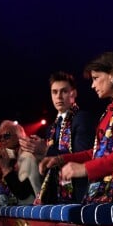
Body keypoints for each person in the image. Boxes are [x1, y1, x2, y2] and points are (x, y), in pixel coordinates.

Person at [38, 52, 113, 204]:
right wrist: (61, 159)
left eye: (96, 78)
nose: (92, 85)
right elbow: (97, 152)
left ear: (112, 75)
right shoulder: (109, 112)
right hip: (102, 196)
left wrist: (84, 169)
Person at [19, 71, 96, 203]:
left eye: (64, 91)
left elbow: (83, 157)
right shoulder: (52, 127)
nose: (59, 96)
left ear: (74, 93)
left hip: (80, 196)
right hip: (58, 196)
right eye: (54, 92)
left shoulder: (82, 118)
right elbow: (51, 164)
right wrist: (38, 153)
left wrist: (45, 150)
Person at [0, 120, 43, 205]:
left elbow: (23, 194)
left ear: (18, 137)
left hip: (28, 213)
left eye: (6, 136)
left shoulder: (27, 156)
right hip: (9, 214)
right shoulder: (8, 158)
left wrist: (5, 169)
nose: (2, 140)